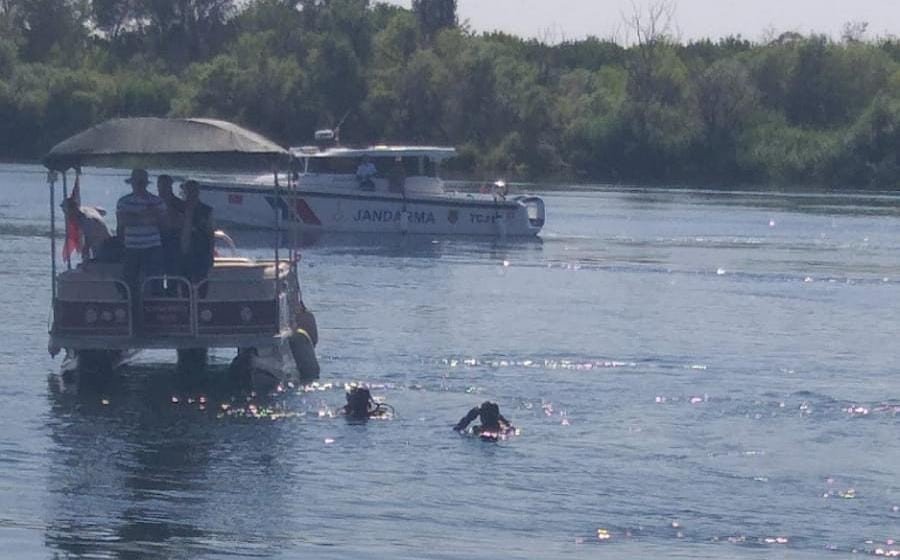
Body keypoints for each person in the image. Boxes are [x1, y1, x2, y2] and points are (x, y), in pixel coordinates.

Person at [116, 169, 165, 308]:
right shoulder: (124, 201)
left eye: (142, 182)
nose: (139, 185)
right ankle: (131, 309)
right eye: (137, 182)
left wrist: (136, 217)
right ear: (132, 183)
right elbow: (123, 222)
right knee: (129, 282)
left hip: (153, 246)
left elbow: (163, 222)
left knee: (155, 280)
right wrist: (148, 215)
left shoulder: (157, 201)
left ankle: (155, 309)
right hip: (131, 247)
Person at [179, 180, 215, 285]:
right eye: (188, 191)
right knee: (184, 282)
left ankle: (201, 300)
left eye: (193, 191)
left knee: (202, 281)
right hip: (182, 253)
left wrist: (211, 254)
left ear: (198, 192)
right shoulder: (179, 208)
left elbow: (211, 234)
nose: (191, 193)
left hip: (201, 252)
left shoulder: (206, 210)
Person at [156, 174, 185, 276]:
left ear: (170, 186)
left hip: (174, 241)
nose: (163, 188)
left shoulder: (179, 204)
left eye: (165, 185)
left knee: (173, 273)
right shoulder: (153, 202)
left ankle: (172, 291)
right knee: (156, 272)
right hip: (156, 241)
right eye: (160, 185)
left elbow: (182, 223)